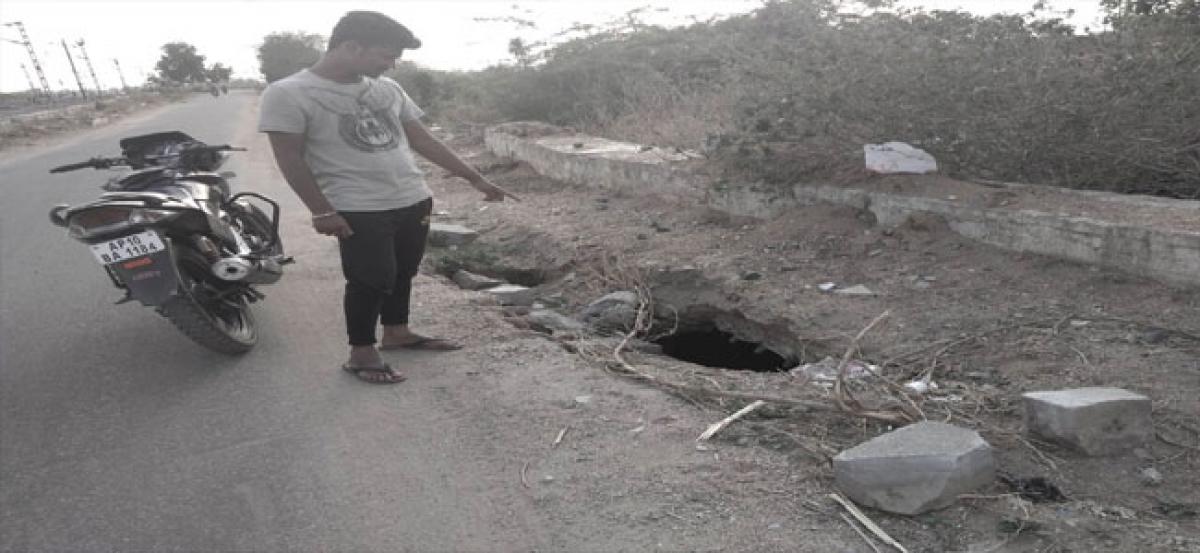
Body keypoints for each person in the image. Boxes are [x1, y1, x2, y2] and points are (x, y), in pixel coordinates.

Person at [258, 10, 515, 384]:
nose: (391, 65)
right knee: (370, 278)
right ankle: (361, 352)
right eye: (386, 56)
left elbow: (422, 139)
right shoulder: (287, 93)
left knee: (402, 271)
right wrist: (321, 210)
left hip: (412, 197)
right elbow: (289, 157)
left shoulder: (388, 89)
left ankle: (396, 331)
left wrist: (475, 178)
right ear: (350, 46)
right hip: (357, 205)